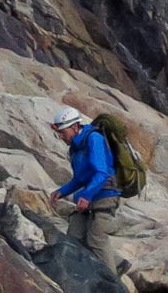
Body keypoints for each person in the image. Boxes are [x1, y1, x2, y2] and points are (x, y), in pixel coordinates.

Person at [49, 106, 123, 266]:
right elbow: (80, 178)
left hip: (105, 195)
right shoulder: (76, 148)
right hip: (91, 196)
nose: (61, 136)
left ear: (75, 127)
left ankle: (113, 285)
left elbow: (102, 172)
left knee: (96, 240)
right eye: (59, 133)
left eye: (63, 132)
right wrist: (61, 192)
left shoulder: (93, 139)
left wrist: (87, 195)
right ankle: (119, 263)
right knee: (74, 236)